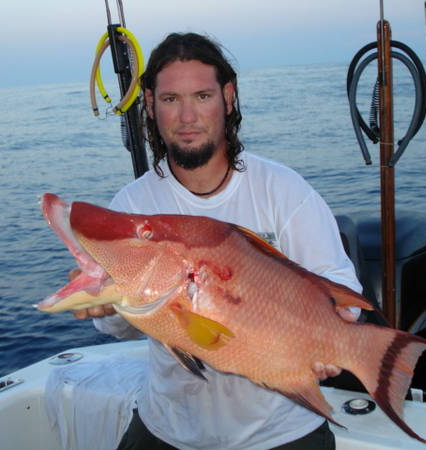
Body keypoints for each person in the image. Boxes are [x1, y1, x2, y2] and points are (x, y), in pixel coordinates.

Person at [73, 32, 362, 450]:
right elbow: (122, 326)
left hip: (282, 431)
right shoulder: (134, 205)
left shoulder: (282, 189)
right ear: (150, 105)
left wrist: (330, 344)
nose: (188, 116)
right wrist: (105, 300)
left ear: (228, 97)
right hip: (168, 428)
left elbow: (343, 288)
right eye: (171, 100)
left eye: (202, 96)